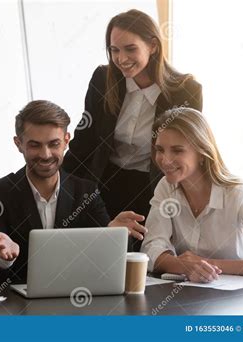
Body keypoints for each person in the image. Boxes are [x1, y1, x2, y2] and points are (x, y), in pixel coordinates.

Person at [62, 9, 203, 252]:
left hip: (153, 186)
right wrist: (58, 183)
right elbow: (85, 138)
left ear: (153, 46)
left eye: (130, 49)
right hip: (103, 182)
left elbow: (188, 153)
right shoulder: (103, 78)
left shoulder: (185, 90)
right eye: (114, 50)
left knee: (144, 259)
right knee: (101, 254)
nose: (121, 58)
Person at [0, 100, 146, 283]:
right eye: (35, 145)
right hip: (17, 305)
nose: (46, 155)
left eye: (54, 144)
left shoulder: (86, 192)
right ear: (18, 144)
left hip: (77, 300)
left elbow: (108, 263)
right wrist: (2, 258)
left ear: (66, 141)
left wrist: (116, 235)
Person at [141, 108, 243, 283]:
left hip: (239, 299)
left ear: (202, 154)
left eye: (177, 150)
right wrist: (184, 266)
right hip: (191, 294)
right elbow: (151, 248)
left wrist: (207, 264)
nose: (165, 160)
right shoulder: (166, 187)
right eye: (160, 149)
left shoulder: (237, 194)